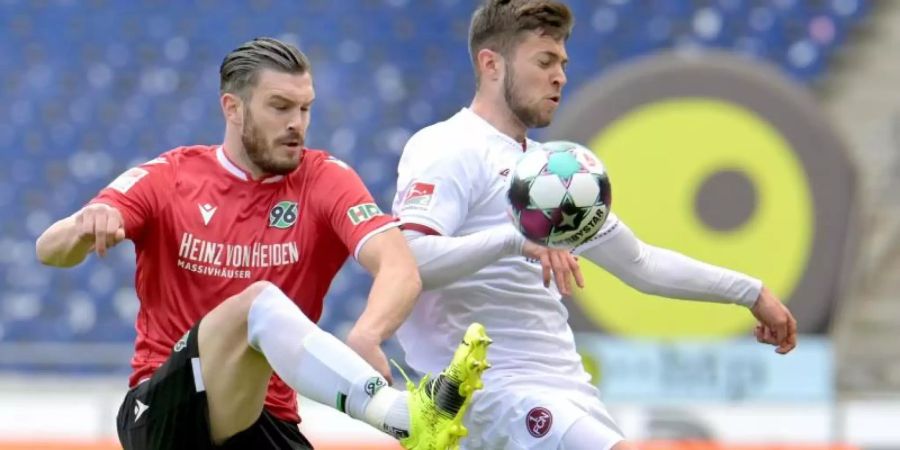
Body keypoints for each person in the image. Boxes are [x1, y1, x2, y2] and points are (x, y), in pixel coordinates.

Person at [35, 37, 490, 450]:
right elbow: (48, 249)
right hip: (165, 413)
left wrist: (368, 333)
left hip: (263, 422)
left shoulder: (326, 180)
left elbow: (398, 265)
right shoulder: (171, 177)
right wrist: (82, 225)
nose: (297, 124)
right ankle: (401, 415)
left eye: (305, 109)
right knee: (258, 303)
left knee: (260, 309)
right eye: (280, 107)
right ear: (232, 108)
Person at [391, 1, 798, 449]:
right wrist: (513, 240)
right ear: (491, 64)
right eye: (544, 61)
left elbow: (641, 264)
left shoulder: (550, 173)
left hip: (564, 384)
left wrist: (750, 292)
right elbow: (409, 262)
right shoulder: (449, 146)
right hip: (492, 391)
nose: (559, 76)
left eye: (562, 63)